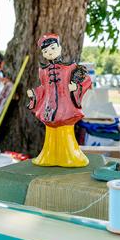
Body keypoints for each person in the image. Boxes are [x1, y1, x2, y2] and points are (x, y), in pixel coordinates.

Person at [26, 33, 92, 167]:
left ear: (60, 48)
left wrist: (76, 87)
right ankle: (49, 156)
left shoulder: (70, 67)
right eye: (45, 51)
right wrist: (34, 93)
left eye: (52, 48)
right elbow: (43, 88)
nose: (49, 52)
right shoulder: (43, 71)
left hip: (65, 106)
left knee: (65, 129)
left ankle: (70, 156)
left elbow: (86, 80)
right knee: (51, 131)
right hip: (49, 107)